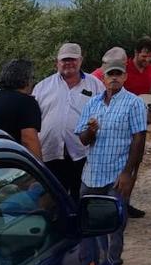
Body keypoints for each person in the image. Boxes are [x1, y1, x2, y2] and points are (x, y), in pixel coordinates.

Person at [74, 49, 148, 265]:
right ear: (103, 78)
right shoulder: (93, 103)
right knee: (89, 225)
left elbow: (139, 138)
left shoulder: (133, 103)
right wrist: (91, 130)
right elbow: (84, 140)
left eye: (118, 74)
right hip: (91, 173)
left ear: (125, 77)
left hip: (116, 175)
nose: (114, 78)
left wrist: (128, 173)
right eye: (110, 74)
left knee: (115, 227)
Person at [33, 42, 104, 200]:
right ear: (57, 62)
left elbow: (105, 114)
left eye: (73, 59)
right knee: (54, 198)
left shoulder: (96, 85)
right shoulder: (42, 87)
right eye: (64, 60)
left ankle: (80, 224)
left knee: (82, 197)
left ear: (80, 61)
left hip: (83, 154)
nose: (68, 63)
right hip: (51, 153)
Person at [0, 58, 43, 160]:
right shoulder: (27, 103)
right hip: (12, 164)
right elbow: (29, 140)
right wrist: (39, 169)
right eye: (32, 78)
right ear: (27, 80)